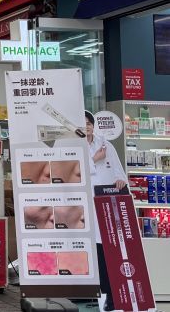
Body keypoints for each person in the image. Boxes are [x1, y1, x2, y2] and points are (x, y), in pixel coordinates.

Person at [85, 111, 127, 312]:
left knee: (107, 251)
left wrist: (120, 181)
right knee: (88, 252)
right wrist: (94, 159)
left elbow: (119, 172)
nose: (86, 126)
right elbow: (74, 173)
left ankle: (111, 295)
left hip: (105, 206)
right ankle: (91, 295)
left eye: (89, 123)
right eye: (82, 123)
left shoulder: (106, 145)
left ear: (93, 125)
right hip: (84, 206)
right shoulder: (75, 146)